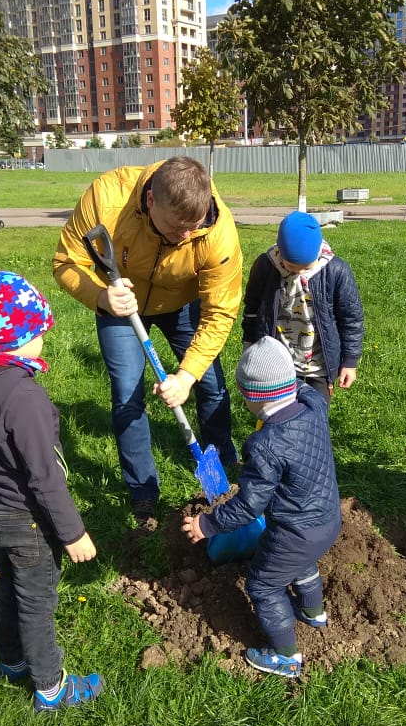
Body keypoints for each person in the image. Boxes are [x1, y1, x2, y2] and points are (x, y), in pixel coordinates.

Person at [0, 271, 104, 713]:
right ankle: (52, 689)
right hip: (28, 519)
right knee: (36, 601)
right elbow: (44, 478)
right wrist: (72, 533)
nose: (44, 342)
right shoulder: (24, 399)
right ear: (17, 337)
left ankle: (11, 660)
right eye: (39, 334)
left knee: (7, 586)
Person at [52, 156, 242, 525]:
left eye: (193, 228)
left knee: (212, 383)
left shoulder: (217, 230)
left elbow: (220, 312)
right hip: (122, 304)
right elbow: (65, 262)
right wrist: (101, 296)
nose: (185, 237)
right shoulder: (107, 198)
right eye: (176, 229)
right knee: (127, 393)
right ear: (151, 200)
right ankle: (143, 490)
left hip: (181, 301)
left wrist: (185, 377)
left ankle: (222, 461)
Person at [181, 337, 342, 679]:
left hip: (292, 532)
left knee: (263, 585)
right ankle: (314, 613)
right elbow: (305, 386)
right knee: (301, 564)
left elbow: (249, 504)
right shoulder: (314, 405)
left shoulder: (265, 443)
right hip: (327, 520)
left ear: (251, 397)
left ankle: (287, 657)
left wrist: (207, 525)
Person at [241, 210, 364, 402]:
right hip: (277, 364)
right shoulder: (266, 266)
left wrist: (350, 361)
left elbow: (351, 319)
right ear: (280, 252)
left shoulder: (336, 270)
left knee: (315, 416)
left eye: (306, 268)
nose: (298, 273)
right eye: (290, 267)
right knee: (276, 417)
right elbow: (252, 311)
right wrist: (249, 346)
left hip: (318, 367)